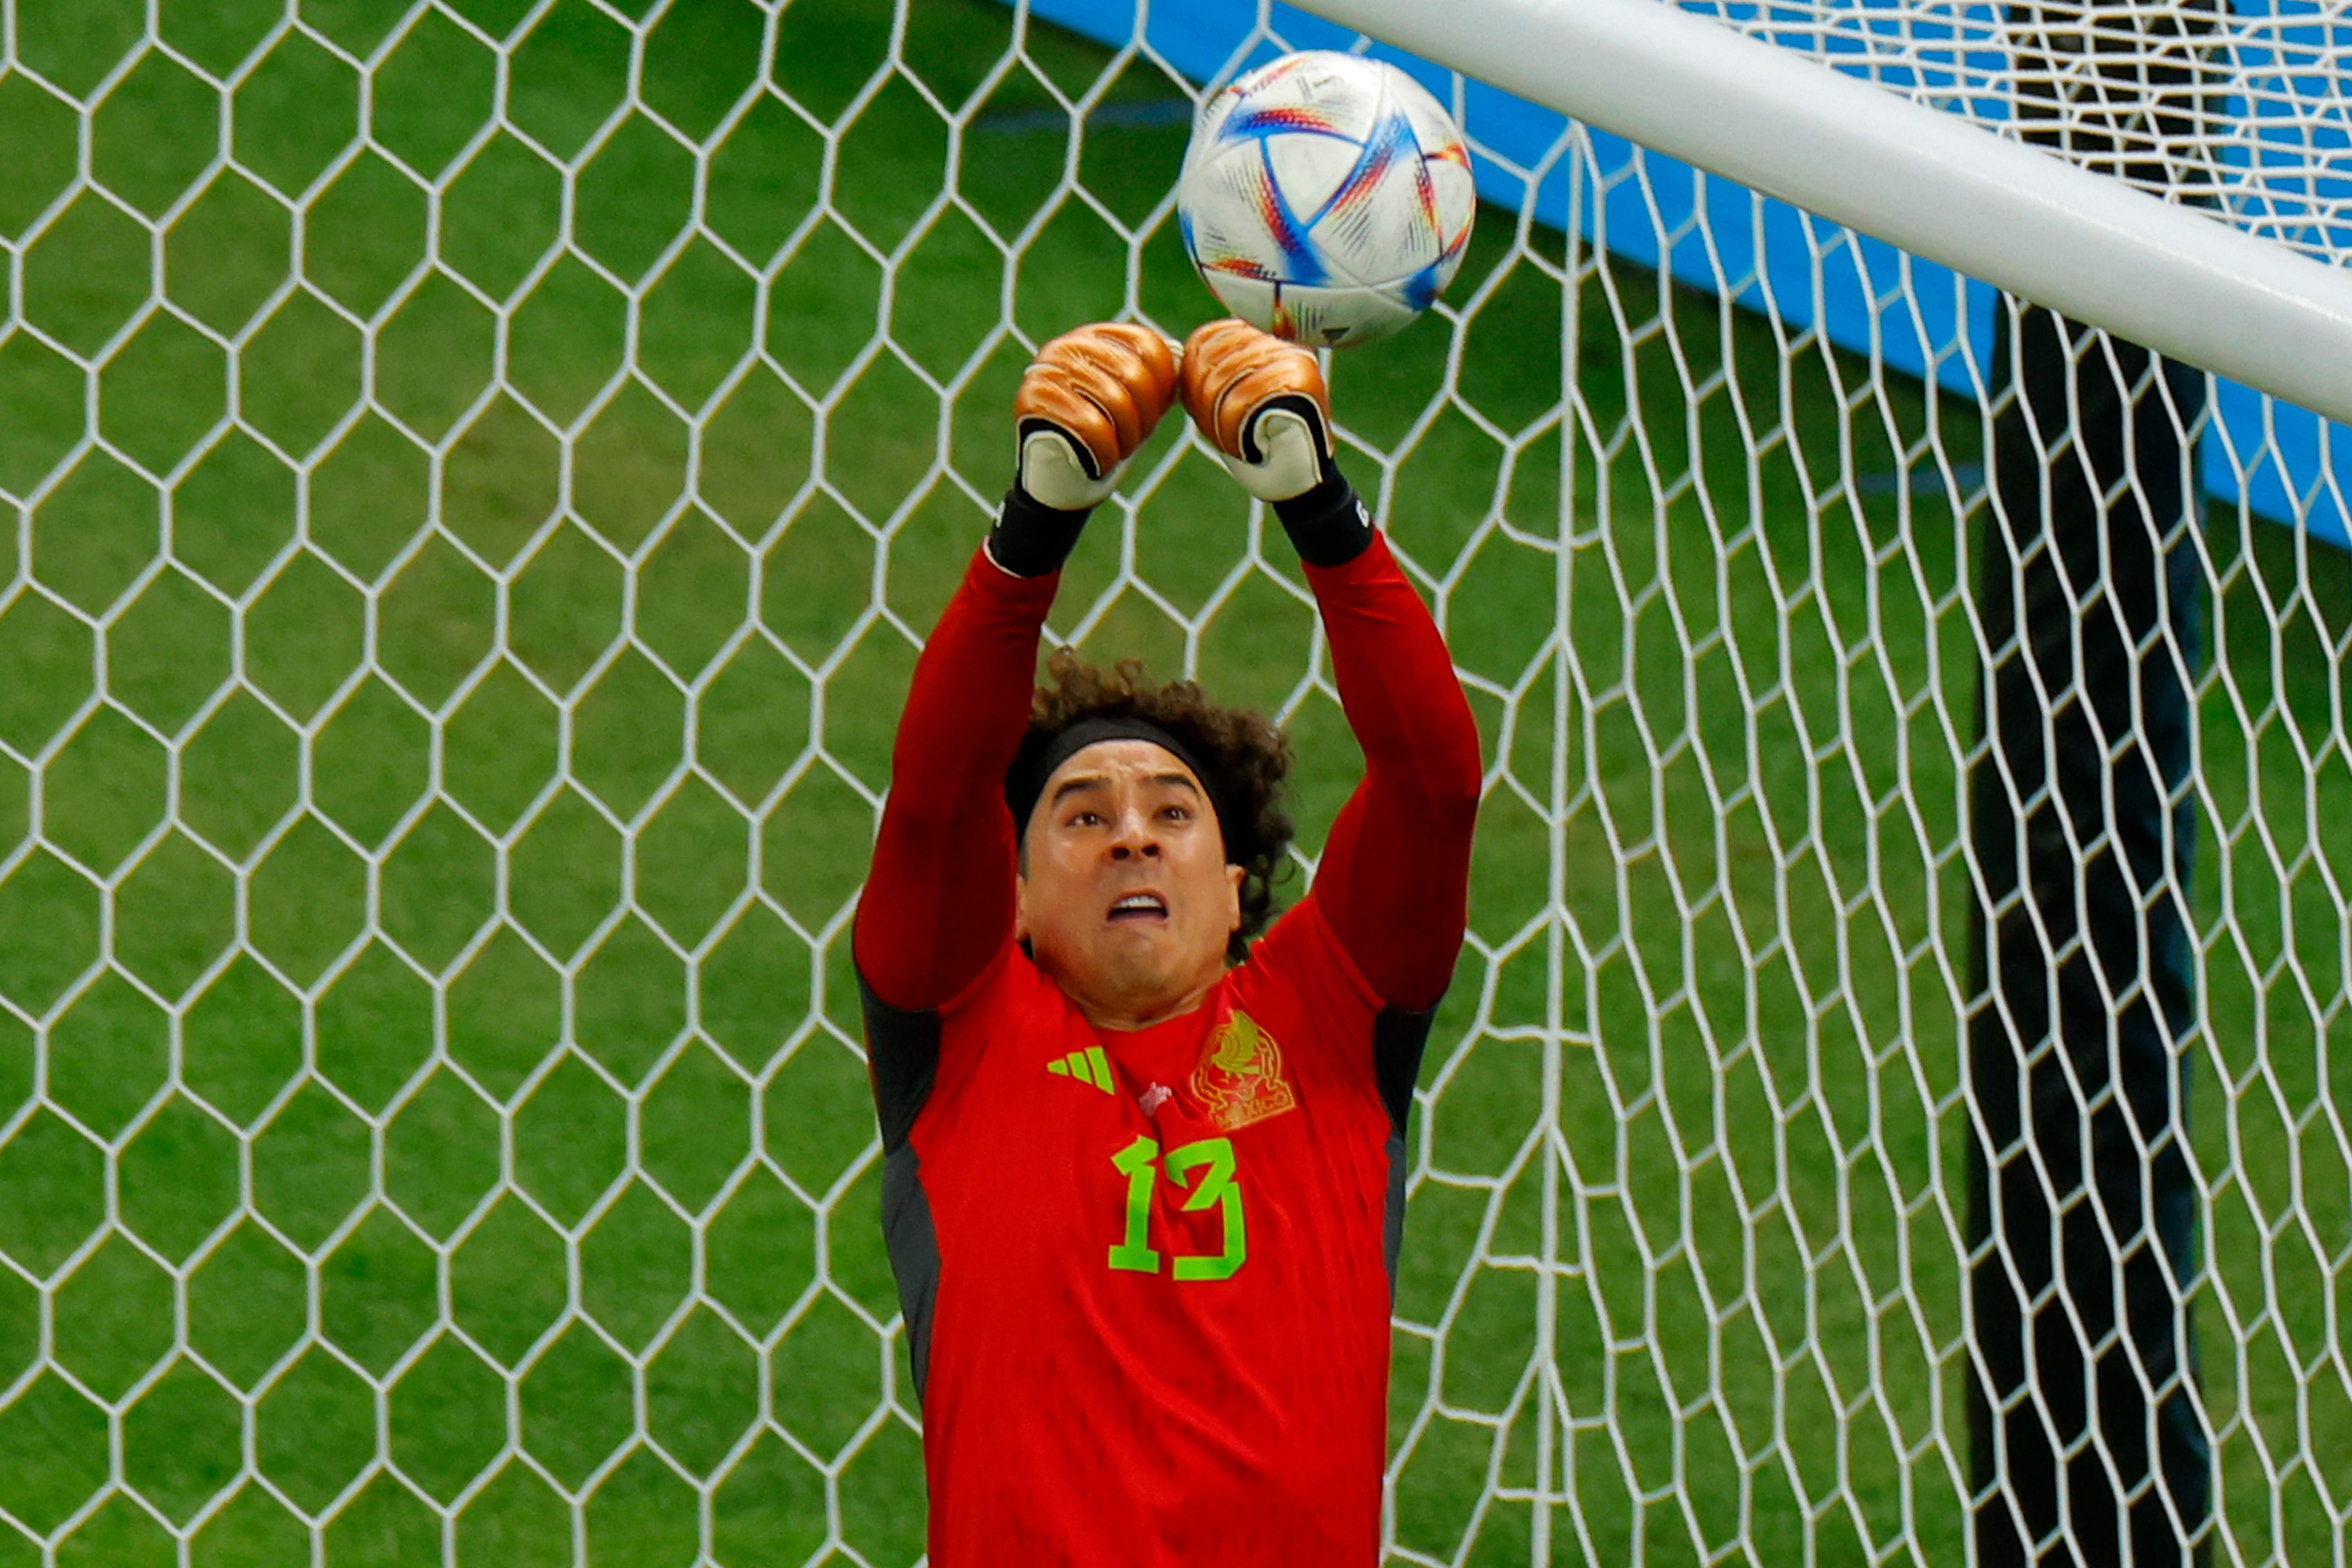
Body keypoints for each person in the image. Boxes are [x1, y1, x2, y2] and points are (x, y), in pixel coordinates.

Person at [853, 316, 1483, 1565]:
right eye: (1081, 816)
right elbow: (934, 796)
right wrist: (1038, 521)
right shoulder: (964, 1034)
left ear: (1240, 883)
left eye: (1171, 811)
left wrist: (1319, 503)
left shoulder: (1329, 1026)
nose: (1132, 836)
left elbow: (1434, 785)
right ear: (1014, 897)